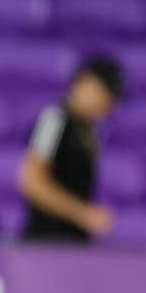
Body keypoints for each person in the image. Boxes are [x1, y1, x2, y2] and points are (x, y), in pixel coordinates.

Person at [18, 54, 124, 244]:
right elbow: (32, 182)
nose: (109, 103)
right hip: (46, 244)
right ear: (84, 82)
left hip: (71, 245)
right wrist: (84, 214)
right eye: (105, 92)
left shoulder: (87, 131)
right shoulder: (54, 120)